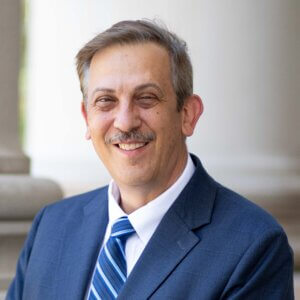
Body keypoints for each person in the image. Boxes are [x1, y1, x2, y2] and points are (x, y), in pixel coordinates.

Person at [7, 20, 294, 300]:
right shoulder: (51, 226)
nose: (125, 122)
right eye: (106, 101)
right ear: (87, 118)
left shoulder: (253, 246)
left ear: (188, 115)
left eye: (146, 98)